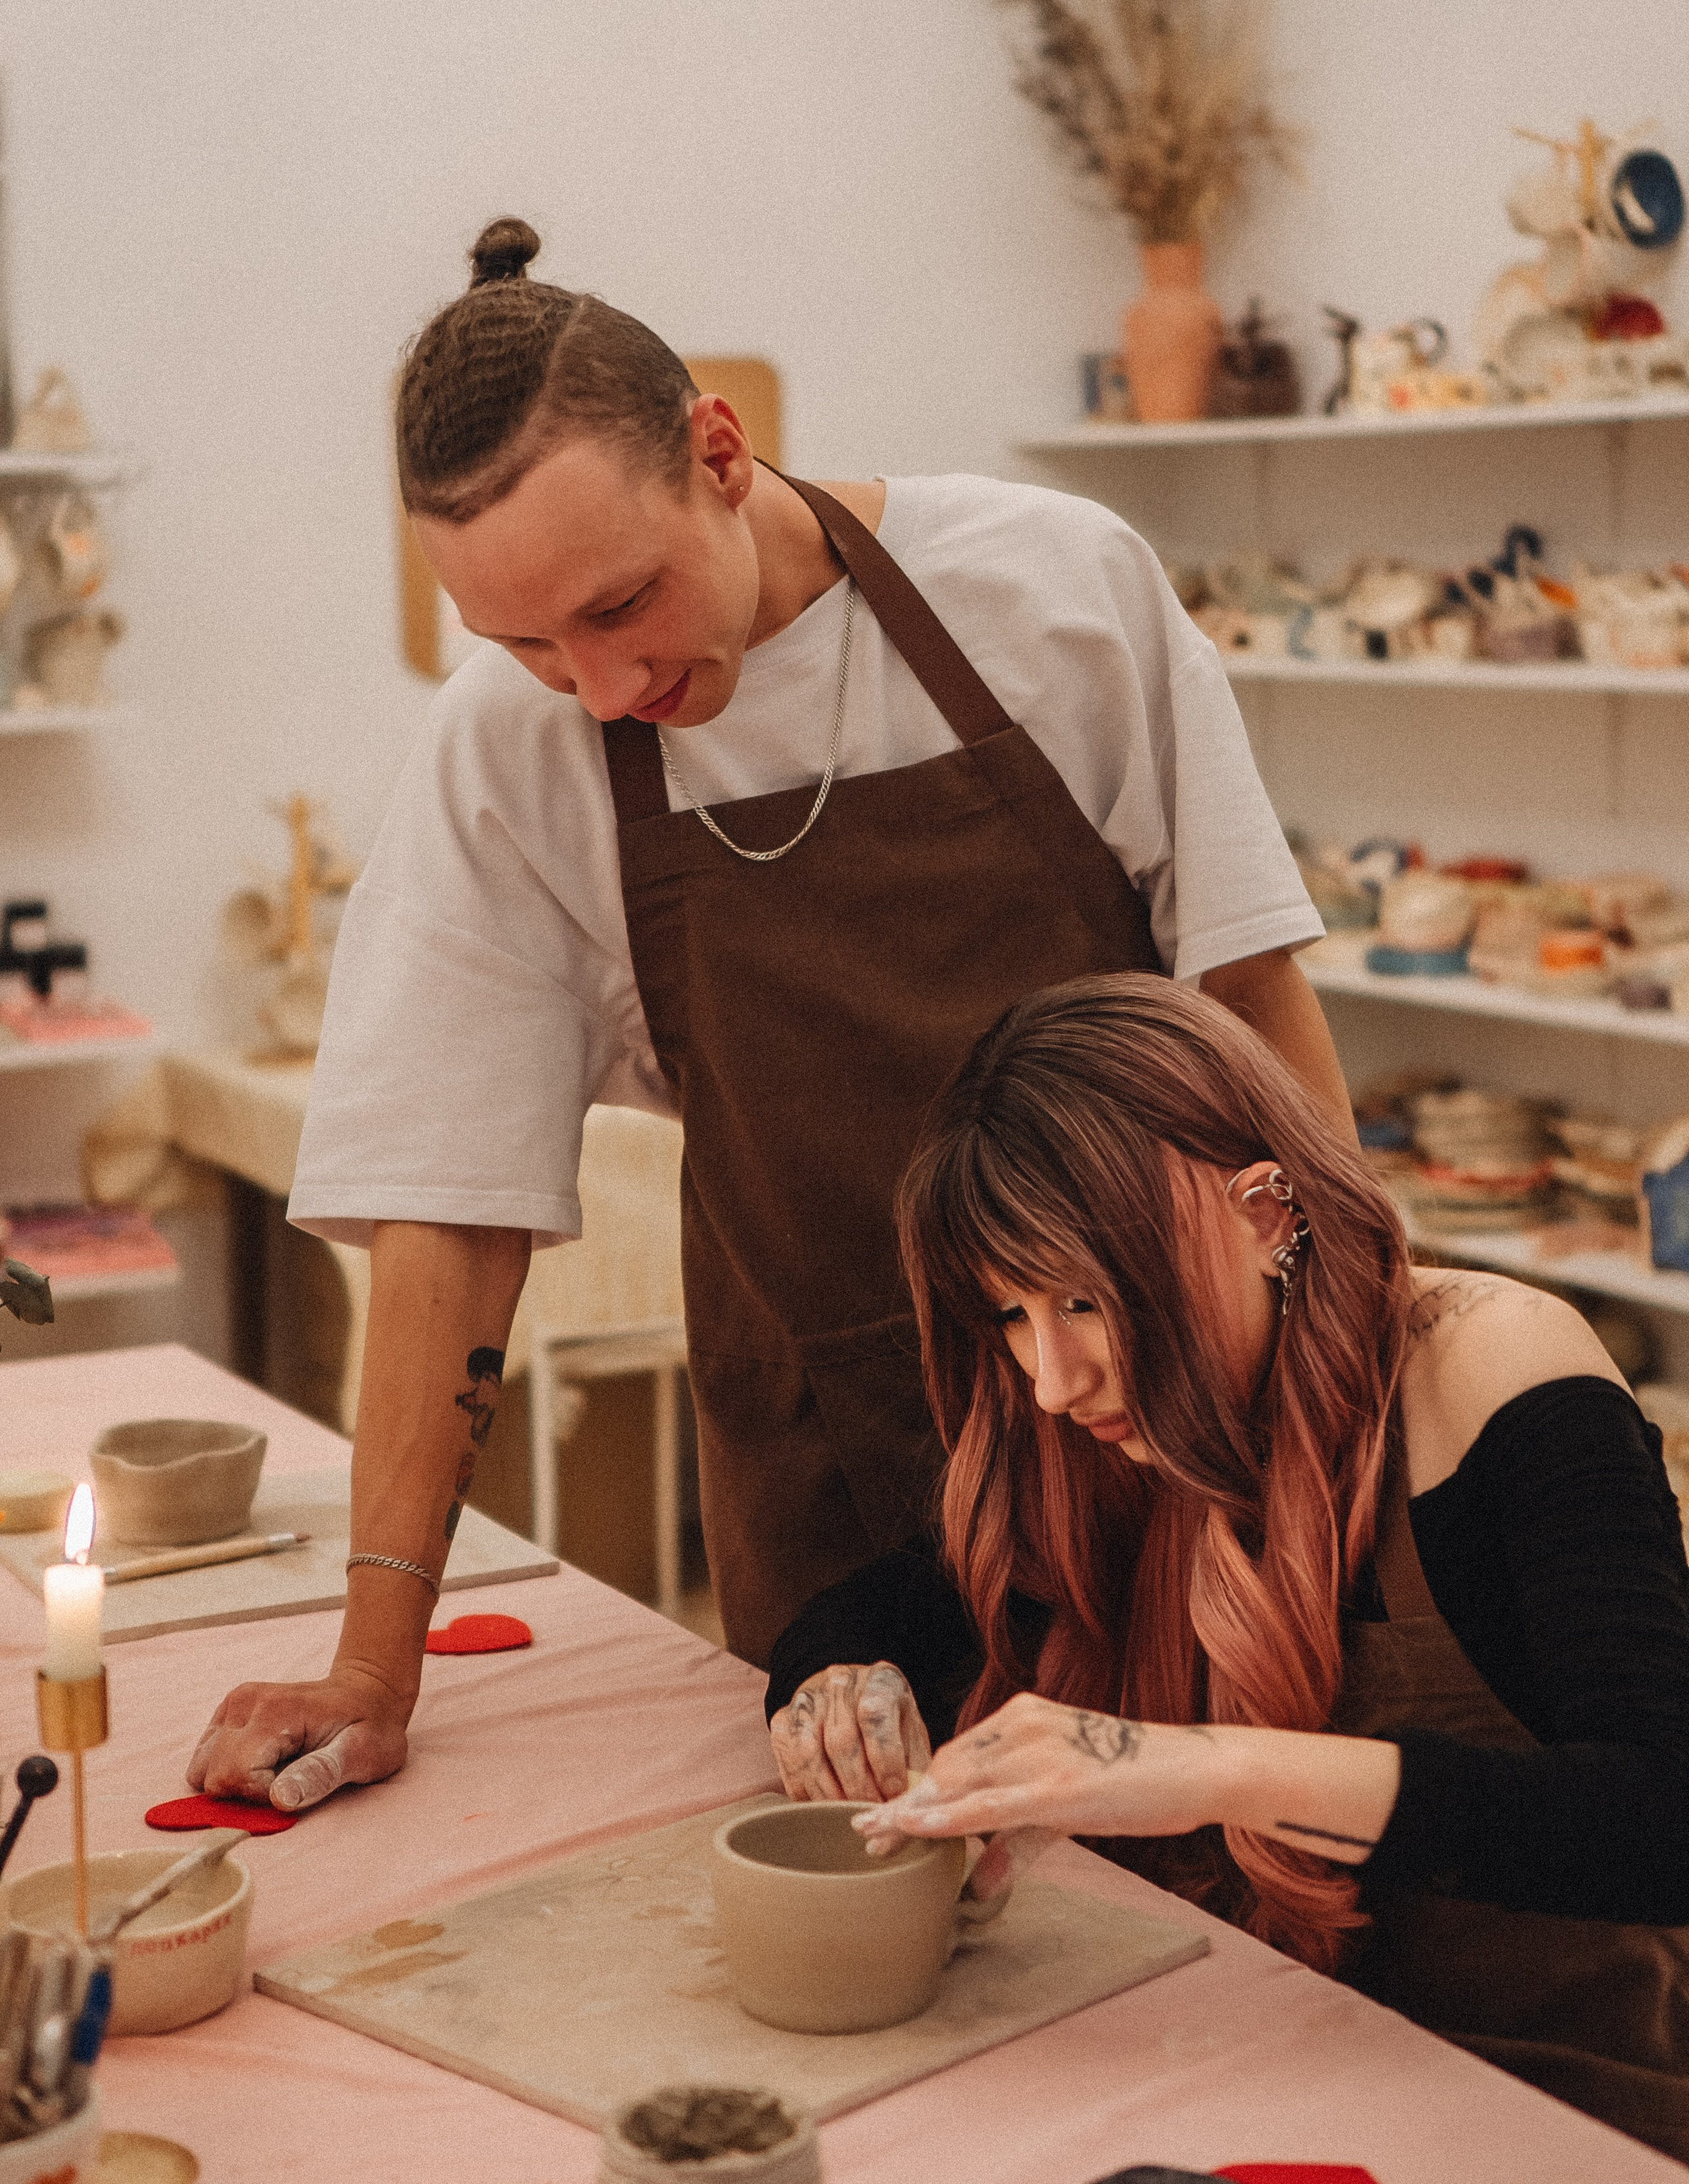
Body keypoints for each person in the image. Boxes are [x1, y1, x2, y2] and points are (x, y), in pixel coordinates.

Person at [188, 216, 1346, 1817]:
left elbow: (1251, 1004)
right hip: (842, 1493)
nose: (598, 685)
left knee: (1250, 1875)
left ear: (720, 454)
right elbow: (447, 1213)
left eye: (621, 604)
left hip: (1175, 1416)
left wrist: (1365, 1401)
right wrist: (374, 1669)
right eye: (524, 643)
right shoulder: (511, 756)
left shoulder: (1053, 592)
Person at [821, 973, 1689, 2160]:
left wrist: (1206, 1768)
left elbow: (1660, 1819)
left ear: (1269, 1214)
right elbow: (890, 1607)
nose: (1052, 1382)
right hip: (1269, 2051)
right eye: (1012, 1313)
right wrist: (832, 1689)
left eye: (1083, 1298)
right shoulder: (1117, 1418)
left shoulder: (1491, 1366)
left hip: (1552, 2101)